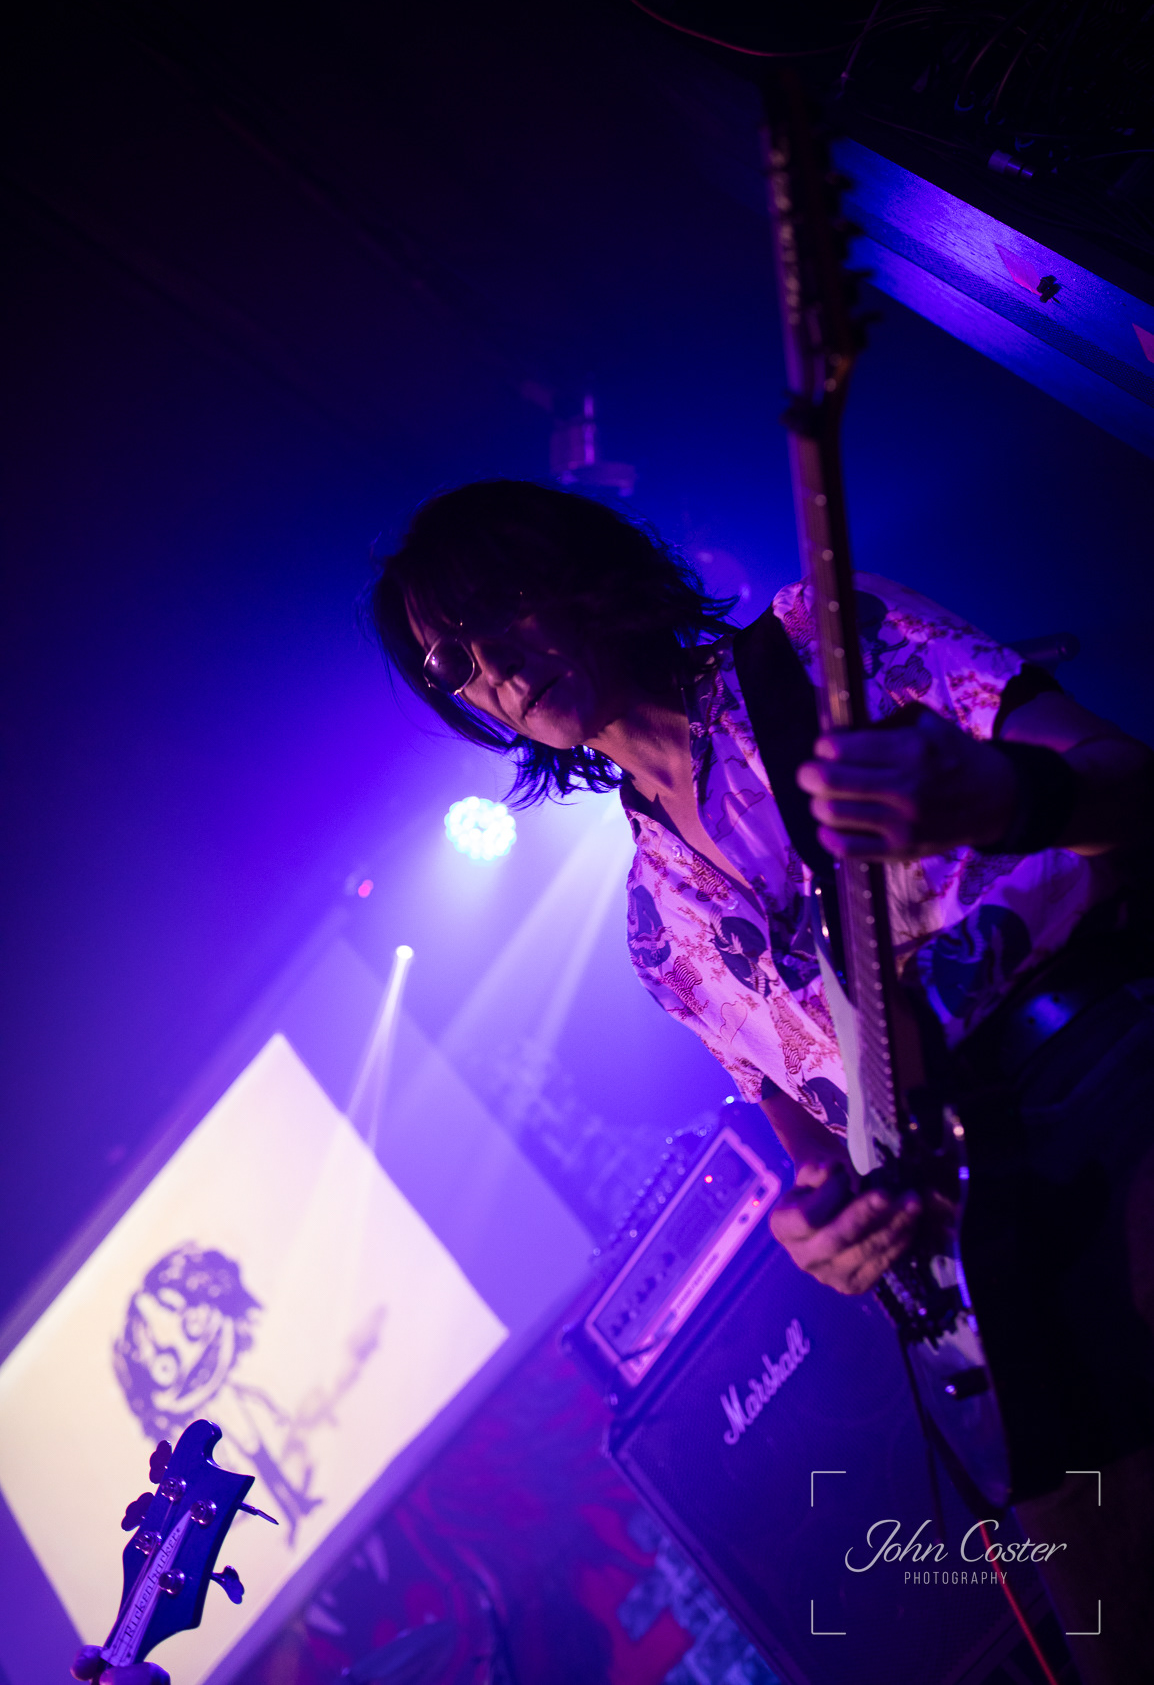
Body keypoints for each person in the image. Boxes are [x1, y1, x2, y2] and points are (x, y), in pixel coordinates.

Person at [370, 479, 1154, 1685]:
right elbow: (823, 1156)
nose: (492, 668)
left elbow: (1129, 781)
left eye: (494, 606)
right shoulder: (653, 929)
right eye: (450, 661)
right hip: (1001, 1289)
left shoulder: (824, 647)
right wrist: (818, 1229)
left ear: (575, 566)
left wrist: (1001, 796)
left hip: (1105, 1082)